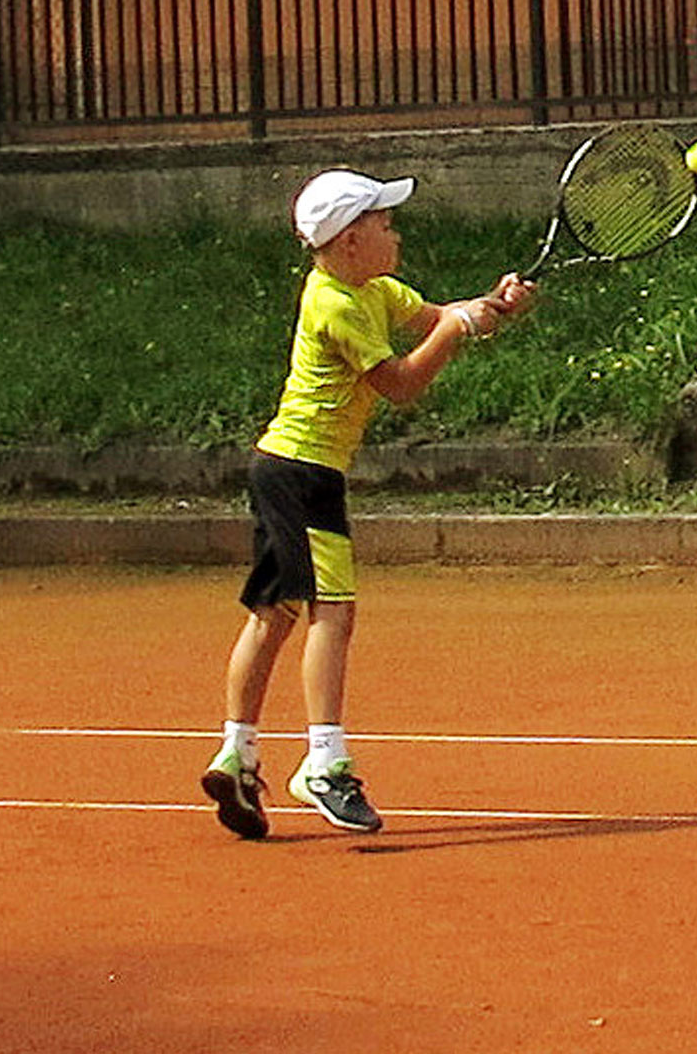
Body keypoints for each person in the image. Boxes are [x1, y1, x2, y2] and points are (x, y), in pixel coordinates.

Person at [201, 168, 535, 839]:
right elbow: (402, 383)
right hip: (302, 475)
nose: (396, 232)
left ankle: (236, 752)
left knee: (274, 614)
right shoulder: (336, 306)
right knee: (334, 612)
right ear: (351, 241)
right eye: (384, 223)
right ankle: (325, 763)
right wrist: (456, 331)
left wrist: (494, 307)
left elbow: (442, 317)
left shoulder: (375, 289)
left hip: (282, 469)